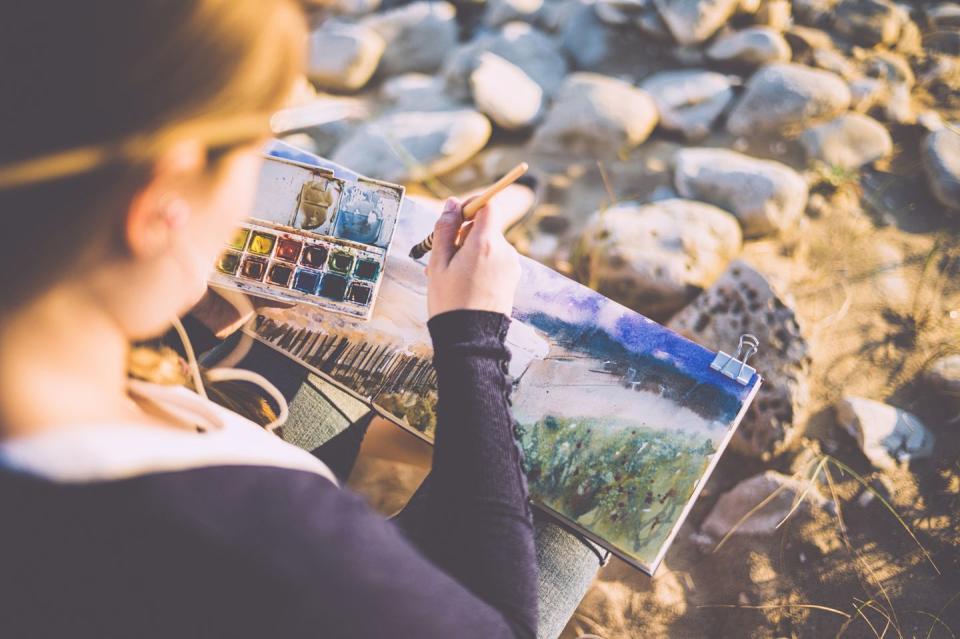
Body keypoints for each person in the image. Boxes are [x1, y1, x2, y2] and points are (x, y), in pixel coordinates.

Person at [0, 2, 603, 638]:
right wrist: (473, 337)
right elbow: (498, 627)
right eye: (259, 149)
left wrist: (182, 327)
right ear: (158, 203)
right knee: (574, 491)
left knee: (291, 361)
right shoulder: (276, 541)